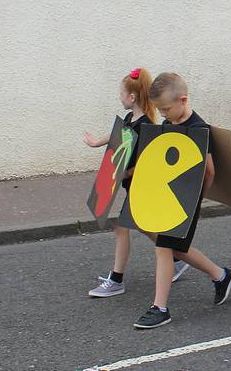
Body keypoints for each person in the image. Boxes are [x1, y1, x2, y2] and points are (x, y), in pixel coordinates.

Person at [133, 73, 231, 329]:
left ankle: (160, 307)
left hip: (185, 202)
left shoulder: (199, 129)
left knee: (163, 248)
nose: (164, 114)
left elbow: (209, 171)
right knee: (177, 248)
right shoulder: (170, 123)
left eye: (166, 109)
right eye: (160, 110)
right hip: (167, 198)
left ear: (183, 100)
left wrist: (196, 199)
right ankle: (221, 275)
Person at [86, 68, 192, 297]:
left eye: (121, 93)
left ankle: (116, 280)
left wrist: (124, 173)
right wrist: (97, 142)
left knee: (121, 228)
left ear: (132, 97)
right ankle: (175, 258)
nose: (119, 97)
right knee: (145, 226)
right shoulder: (130, 118)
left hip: (140, 187)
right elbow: (118, 133)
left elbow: (147, 163)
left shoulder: (145, 125)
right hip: (130, 185)